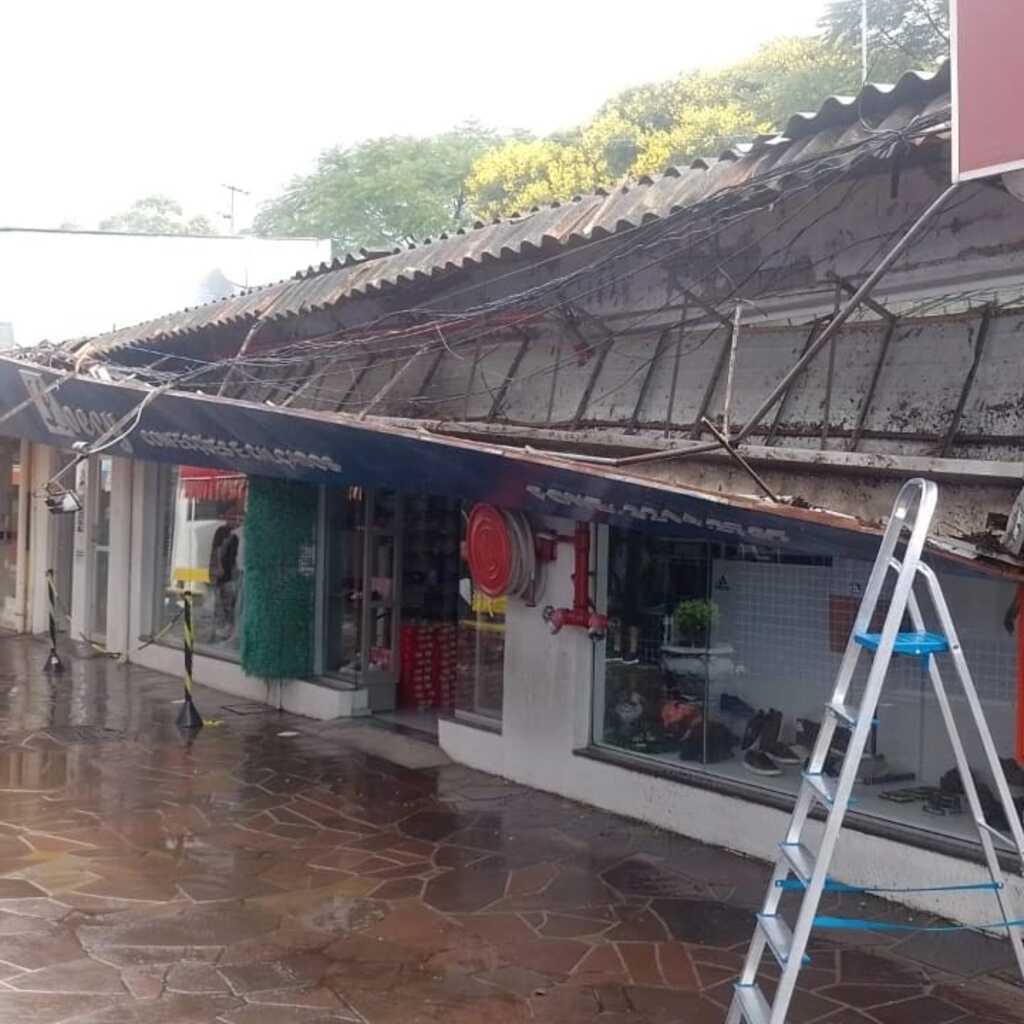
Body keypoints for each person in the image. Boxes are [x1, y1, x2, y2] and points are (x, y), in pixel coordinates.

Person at [209, 506, 241, 641]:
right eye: (233, 518)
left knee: (230, 603)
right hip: (224, 575)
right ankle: (221, 630)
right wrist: (219, 568)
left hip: (233, 574)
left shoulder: (238, 533)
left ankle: (227, 630)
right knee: (224, 603)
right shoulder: (223, 531)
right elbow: (217, 550)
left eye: (238, 519)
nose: (235, 521)